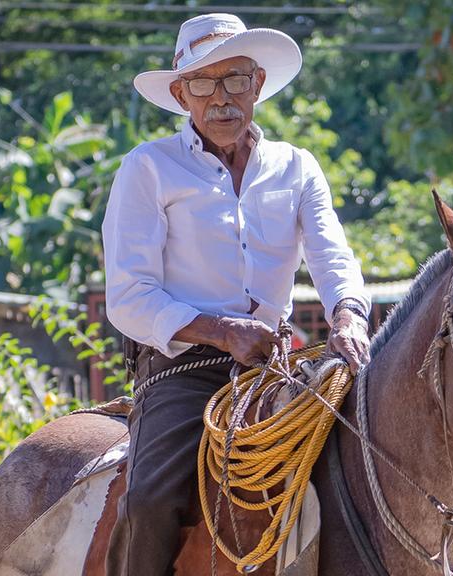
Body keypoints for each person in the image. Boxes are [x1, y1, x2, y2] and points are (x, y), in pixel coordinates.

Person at [101, 13, 372, 576]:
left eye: (234, 81)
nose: (220, 99)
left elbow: (333, 258)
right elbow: (128, 297)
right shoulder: (149, 167)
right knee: (150, 498)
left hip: (276, 365)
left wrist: (348, 315)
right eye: (202, 83)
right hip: (183, 366)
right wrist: (223, 331)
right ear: (180, 94)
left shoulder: (297, 168)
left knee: (375, 458)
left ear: (258, 85)